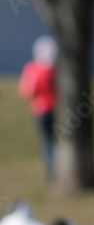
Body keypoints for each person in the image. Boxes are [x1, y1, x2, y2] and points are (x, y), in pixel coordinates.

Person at [19, 35, 57, 180]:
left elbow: (28, 92)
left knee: (47, 143)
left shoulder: (33, 69)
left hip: (42, 110)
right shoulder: (57, 69)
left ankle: (51, 173)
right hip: (58, 109)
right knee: (57, 142)